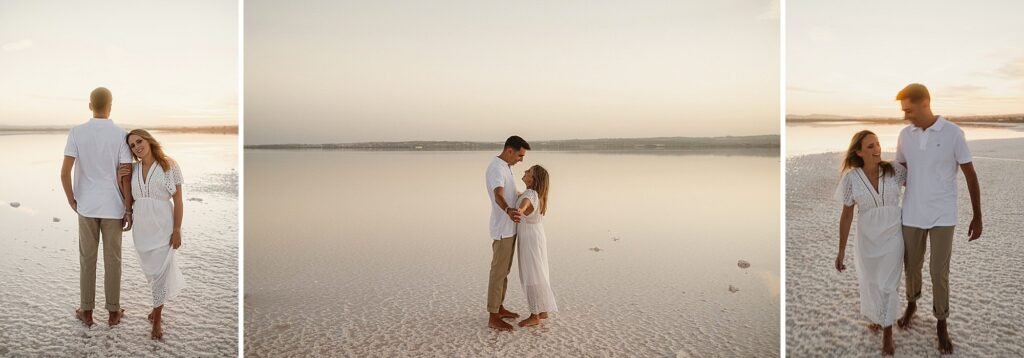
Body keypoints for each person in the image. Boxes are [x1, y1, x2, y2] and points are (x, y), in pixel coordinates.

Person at [893, 83, 982, 355]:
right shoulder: (904, 135)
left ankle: (941, 322)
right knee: (912, 267)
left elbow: (969, 174)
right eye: (903, 110)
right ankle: (912, 303)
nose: (906, 115)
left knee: (938, 272)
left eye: (909, 110)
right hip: (911, 212)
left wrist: (978, 216)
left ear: (925, 103)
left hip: (943, 214)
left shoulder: (953, 133)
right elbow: (901, 169)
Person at [60, 87, 133, 328]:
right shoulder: (121, 135)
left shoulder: (76, 132)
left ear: (90, 105)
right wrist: (128, 207)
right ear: (111, 105)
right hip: (113, 207)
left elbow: (64, 173)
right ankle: (113, 312)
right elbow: (126, 176)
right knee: (113, 260)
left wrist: (72, 199)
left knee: (86, 260)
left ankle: (87, 312)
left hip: (87, 206)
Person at [834, 130, 906, 355]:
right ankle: (878, 317)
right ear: (858, 152)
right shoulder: (851, 179)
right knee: (871, 281)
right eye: (870, 146)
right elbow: (846, 215)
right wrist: (841, 250)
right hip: (867, 238)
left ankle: (887, 333)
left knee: (889, 283)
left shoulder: (895, 170)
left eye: (877, 144)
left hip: (894, 234)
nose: (877, 149)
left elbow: (920, 186)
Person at [119, 129, 186, 340]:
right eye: (132, 145)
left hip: (163, 227)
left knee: (160, 274)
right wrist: (120, 179)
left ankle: (156, 320)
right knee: (152, 274)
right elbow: (128, 197)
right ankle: (156, 308)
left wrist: (177, 229)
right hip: (142, 230)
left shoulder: (169, 164)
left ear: (148, 140)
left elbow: (179, 200)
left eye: (139, 141)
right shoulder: (134, 169)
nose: (137, 146)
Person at [484, 135, 530, 331]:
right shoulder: (496, 168)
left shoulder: (506, 168)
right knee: (498, 273)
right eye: (519, 155)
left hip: (510, 228)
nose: (521, 160)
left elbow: (513, 194)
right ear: (509, 150)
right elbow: (499, 195)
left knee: (504, 272)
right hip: (503, 229)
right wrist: (509, 210)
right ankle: (493, 316)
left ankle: (499, 307)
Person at [515, 165, 557, 327]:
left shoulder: (531, 194)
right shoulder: (535, 194)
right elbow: (523, 196)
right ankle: (543, 310)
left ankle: (534, 315)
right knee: (538, 272)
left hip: (530, 239)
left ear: (533, 179)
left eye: (529, 172)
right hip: (536, 235)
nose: (525, 172)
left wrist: (519, 210)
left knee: (531, 274)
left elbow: (525, 203)